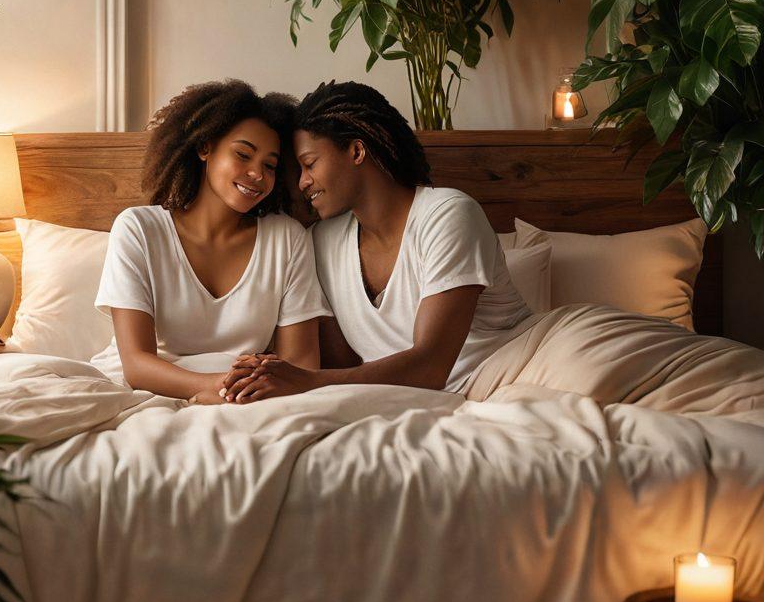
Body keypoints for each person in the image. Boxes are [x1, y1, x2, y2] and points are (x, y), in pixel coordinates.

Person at [223, 80, 537, 403]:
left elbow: (431, 367)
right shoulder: (322, 243)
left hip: (514, 378)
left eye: (310, 164)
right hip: (418, 401)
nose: (303, 182)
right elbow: (342, 365)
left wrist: (308, 383)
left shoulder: (448, 216)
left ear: (357, 151)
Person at [90, 80, 330, 405]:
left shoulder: (286, 239)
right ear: (205, 147)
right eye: (243, 155)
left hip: (249, 396)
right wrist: (221, 388)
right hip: (146, 392)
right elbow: (136, 365)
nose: (257, 174)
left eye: (270, 165)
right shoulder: (139, 230)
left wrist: (240, 392)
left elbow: (300, 366)